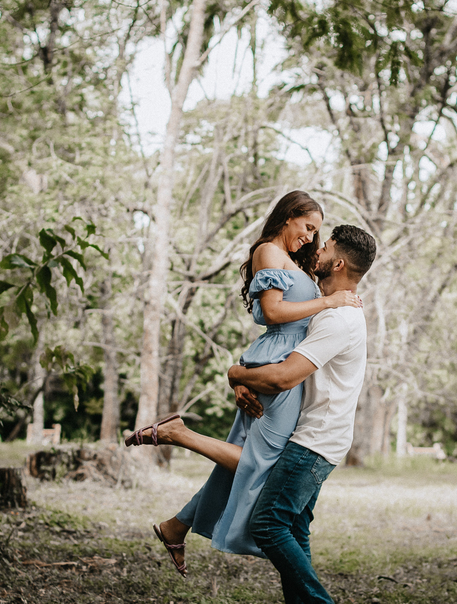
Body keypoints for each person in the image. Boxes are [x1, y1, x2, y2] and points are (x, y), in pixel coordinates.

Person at [130, 223, 377, 604]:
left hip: (314, 442)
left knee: (268, 526)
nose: (317, 250)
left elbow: (284, 376)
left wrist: (236, 374)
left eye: (327, 246)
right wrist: (243, 379)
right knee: (294, 533)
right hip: (316, 436)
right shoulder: (329, 310)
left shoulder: (340, 318)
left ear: (339, 263)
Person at [126, 190, 361, 575]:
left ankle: (176, 526)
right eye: (307, 227)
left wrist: (240, 373)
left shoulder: (293, 261)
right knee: (264, 462)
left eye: (316, 232)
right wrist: (328, 303)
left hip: (280, 360)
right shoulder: (268, 251)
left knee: (241, 456)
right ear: (287, 217)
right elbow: (272, 312)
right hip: (279, 365)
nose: (310, 237)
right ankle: (177, 434)